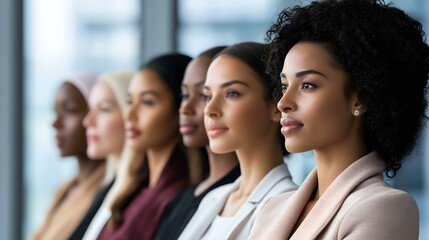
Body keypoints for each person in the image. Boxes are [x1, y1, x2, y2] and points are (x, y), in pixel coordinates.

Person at [248, 1, 429, 239]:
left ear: (361, 98)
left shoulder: (383, 208)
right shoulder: (272, 209)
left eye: (307, 85)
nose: (283, 103)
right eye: (284, 86)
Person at [178, 42, 298, 240]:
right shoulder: (213, 199)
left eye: (231, 93)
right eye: (208, 96)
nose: (210, 109)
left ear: (277, 106)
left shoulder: (288, 205)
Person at [96, 53, 192, 240]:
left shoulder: (177, 198)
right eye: (130, 102)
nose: (129, 115)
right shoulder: (133, 190)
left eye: (147, 102)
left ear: (180, 108)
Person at [154, 46, 241, 240]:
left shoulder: (238, 196)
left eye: (203, 95)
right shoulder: (182, 198)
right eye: (184, 95)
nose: (185, 108)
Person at [31, 73, 106, 240]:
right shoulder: (65, 189)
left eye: (70, 110)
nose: (55, 123)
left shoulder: (107, 193)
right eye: (56, 111)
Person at [72, 71, 134, 240]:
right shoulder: (108, 189)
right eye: (91, 109)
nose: (88, 121)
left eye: (104, 109)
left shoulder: (135, 198)